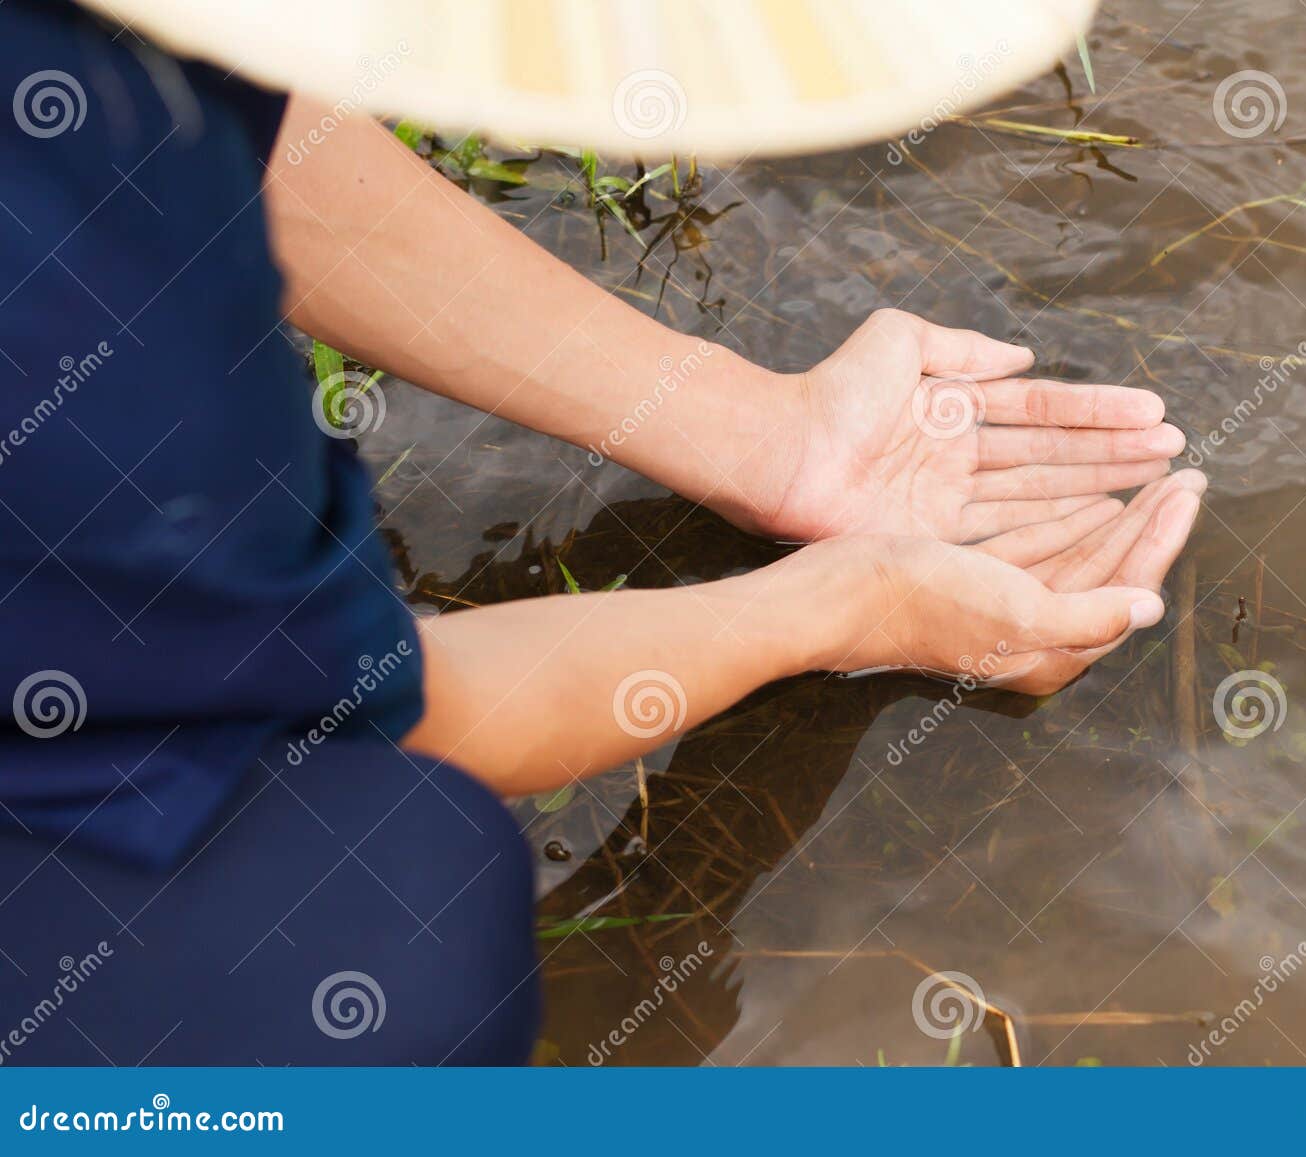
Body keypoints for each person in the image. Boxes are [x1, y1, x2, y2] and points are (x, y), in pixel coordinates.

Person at [0, 0, 1200, 1063]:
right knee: (397, 901)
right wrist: (843, 603)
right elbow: (371, 715)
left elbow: (219, 116)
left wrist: (768, 437)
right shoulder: (89, 341)